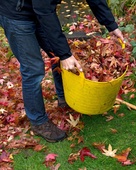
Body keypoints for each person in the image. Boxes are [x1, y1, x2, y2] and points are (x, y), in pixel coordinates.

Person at [0, 0, 125, 142]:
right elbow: (44, 10)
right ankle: (38, 121)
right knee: (33, 69)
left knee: (57, 53)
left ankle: (64, 98)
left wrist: (111, 25)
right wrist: (65, 54)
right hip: (16, 14)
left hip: (39, 8)